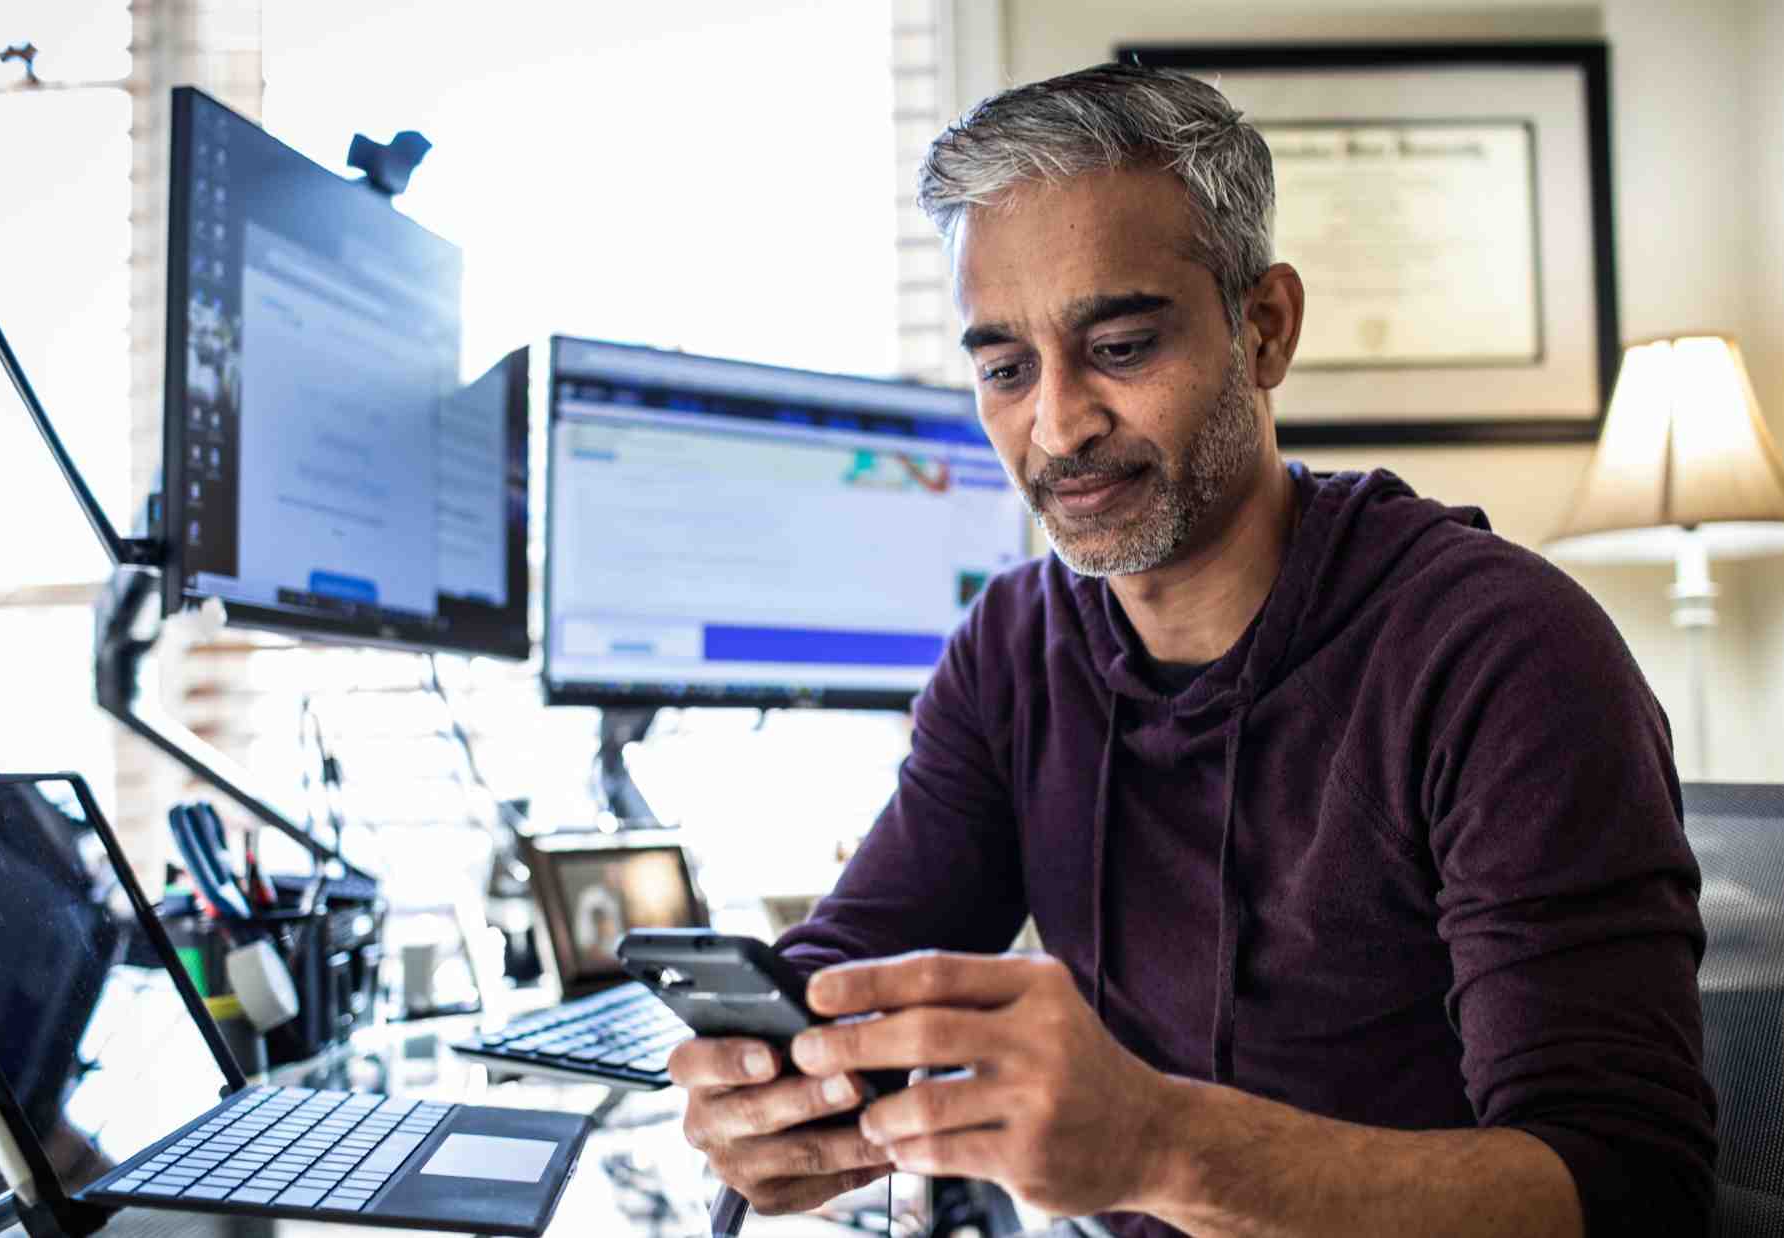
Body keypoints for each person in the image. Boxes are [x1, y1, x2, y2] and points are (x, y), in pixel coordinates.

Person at [668, 64, 1715, 1238]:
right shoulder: (1013, 649)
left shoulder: (1501, 653)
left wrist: (1162, 1143)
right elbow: (860, 952)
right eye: (1004, 368)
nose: (1056, 425)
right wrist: (768, 1081)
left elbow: (1627, 1189)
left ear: (1262, 328)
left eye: (1117, 344)